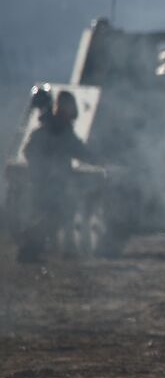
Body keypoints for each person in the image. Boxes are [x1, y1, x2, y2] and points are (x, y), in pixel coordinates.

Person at [18, 90, 97, 263]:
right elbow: (31, 151)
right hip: (47, 181)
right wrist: (44, 169)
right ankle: (29, 246)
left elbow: (79, 150)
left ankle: (31, 249)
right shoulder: (55, 128)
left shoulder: (61, 128)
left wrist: (98, 160)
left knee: (57, 215)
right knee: (54, 215)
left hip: (54, 180)